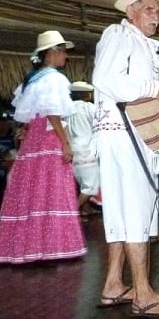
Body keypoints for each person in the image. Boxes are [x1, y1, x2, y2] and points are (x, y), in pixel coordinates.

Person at [92, 0, 159, 318]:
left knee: (124, 208)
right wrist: (155, 89)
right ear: (131, 10)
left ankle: (114, 285)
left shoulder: (140, 44)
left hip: (129, 132)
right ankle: (144, 294)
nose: (156, 16)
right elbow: (105, 78)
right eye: (149, 9)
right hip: (125, 133)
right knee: (136, 207)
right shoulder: (119, 35)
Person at [0, 31, 87, 264]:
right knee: (52, 187)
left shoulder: (32, 79)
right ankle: (50, 247)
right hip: (48, 138)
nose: (65, 56)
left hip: (33, 140)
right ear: (52, 52)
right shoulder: (53, 78)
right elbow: (52, 112)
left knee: (32, 190)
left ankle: (29, 248)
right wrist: (65, 141)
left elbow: (27, 114)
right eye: (63, 51)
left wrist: (24, 130)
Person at [67, 81, 100, 218]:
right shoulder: (89, 108)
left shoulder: (66, 109)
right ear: (85, 94)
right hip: (88, 149)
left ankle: (86, 210)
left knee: (82, 184)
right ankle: (72, 211)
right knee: (91, 187)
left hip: (73, 149)